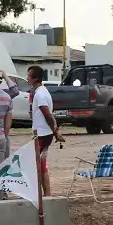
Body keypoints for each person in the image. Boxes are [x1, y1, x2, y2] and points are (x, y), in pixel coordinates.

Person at [27, 65, 64, 196]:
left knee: (38, 165)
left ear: (36, 78)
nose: (27, 78)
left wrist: (55, 132)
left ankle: (44, 194)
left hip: (42, 134)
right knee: (41, 164)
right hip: (44, 133)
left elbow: (48, 115)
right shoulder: (42, 92)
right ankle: (46, 194)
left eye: (29, 76)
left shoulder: (40, 94)